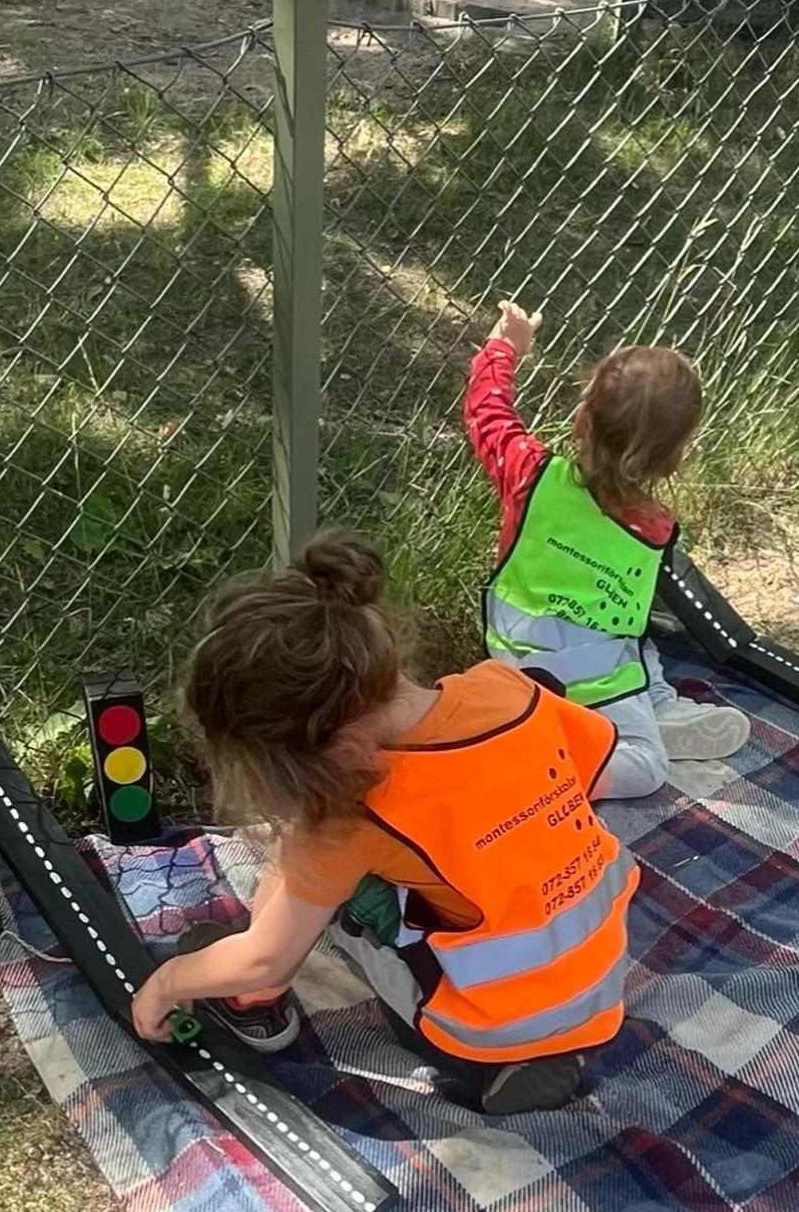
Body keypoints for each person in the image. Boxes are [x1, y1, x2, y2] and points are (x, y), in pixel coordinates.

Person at [129, 531, 640, 1116]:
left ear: (334, 742)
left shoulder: (353, 814)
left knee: (336, 888)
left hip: (473, 1026)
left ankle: (255, 1004)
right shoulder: (510, 688)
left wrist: (169, 982)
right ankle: (559, 1044)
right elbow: (588, 778)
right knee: (422, 866)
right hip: (599, 980)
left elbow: (267, 955)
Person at [467, 301, 750, 799]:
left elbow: (486, 411)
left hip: (513, 662)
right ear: (676, 457)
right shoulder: (656, 529)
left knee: (636, 640)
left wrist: (503, 349)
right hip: (601, 681)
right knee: (647, 765)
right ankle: (615, 733)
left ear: (581, 421)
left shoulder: (530, 477)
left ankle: (628, 717)